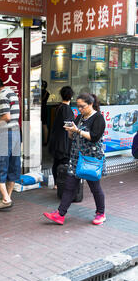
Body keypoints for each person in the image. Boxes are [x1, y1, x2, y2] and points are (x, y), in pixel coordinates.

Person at [43, 93, 106, 225]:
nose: (80, 109)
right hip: (76, 157)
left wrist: (77, 131)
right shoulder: (80, 117)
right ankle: (60, 214)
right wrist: (70, 132)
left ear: (90, 104)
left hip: (91, 159)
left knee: (95, 187)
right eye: (78, 106)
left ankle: (100, 213)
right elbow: (73, 137)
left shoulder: (98, 118)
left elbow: (94, 137)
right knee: (69, 186)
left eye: (82, 106)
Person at [0, 76, 21, 211]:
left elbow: (6, 117)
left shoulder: (1, 96)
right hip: (16, 133)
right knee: (13, 165)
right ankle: (7, 197)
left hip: (6, 134)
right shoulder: (12, 93)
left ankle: (6, 199)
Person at [48, 86, 74, 188]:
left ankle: (56, 183)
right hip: (63, 141)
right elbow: (67, 125)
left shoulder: (59, 107)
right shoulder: (66, 109)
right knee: (64, 162)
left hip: (56, 139)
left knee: (56, 162)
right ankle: (61, 183)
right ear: (71, 97)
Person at [41, 80, 50, 145]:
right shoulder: (47, 92)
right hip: (44, 109)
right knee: (44, 125)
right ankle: (45, 141)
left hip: (38, 109)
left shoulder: (37, 92)